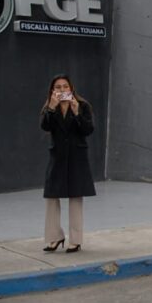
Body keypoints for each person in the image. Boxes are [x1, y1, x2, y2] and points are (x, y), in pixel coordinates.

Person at [40, 74, 97, 253]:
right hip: (57, 156)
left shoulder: (82, 105)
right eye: (58, 87)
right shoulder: (50, 107)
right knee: (51, 197)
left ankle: (76, 240)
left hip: (76, 156)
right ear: (52, 90)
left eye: (65, 86)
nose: (62, 90)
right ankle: (54, 237)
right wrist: (51, 108)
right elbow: (45, 127)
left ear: (71, 88)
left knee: (75, 197)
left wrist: (77, 112)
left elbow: (88, 130)